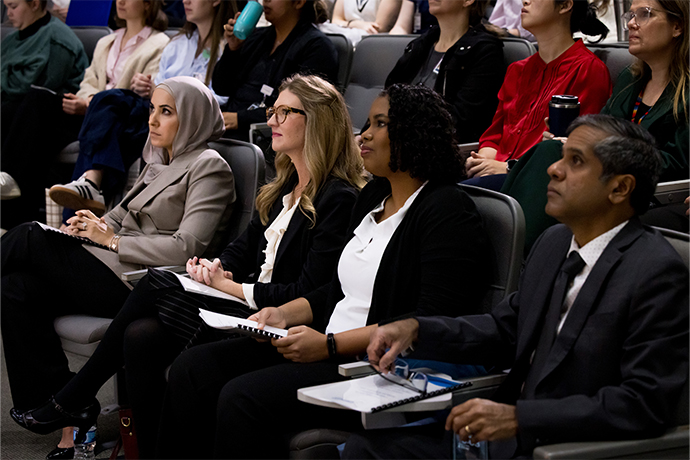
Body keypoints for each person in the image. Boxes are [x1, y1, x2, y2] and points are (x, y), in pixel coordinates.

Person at [7, 74, 365, 459]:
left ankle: (77, 394)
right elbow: (239, 253)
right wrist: (215, 268)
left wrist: (228, 286)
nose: (272, 120)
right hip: (240, 304)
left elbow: (308, 290)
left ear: (316, 121)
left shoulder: (337, 198)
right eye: (272, 111)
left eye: (284, 112)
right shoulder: (281, 188)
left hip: (274, 318)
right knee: (140, 336)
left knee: (142, 276)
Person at [156, 84, 491, 459]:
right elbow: (334, 291)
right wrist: (283, 314)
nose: (364, 134)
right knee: (193, 368)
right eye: (367, 123)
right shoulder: (373, 198)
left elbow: (428, 321)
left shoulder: (447, 210)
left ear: (413, 133)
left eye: (380, 124)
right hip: (326, 341)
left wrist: (328, 345)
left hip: (378, 366)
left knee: (241, 397)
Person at [343, 114, 689, 459]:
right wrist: (418, 329)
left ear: (620, 188)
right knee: (359, 450)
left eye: (576, 161)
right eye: (561, 156)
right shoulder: (554, 243)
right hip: (506, 440)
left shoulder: (656, 273)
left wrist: (521, 418)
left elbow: (642, 403)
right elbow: (505, 328)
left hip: (569, 448)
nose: (553, 170)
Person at [2, 76, 235, 458]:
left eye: (166, 112)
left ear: (191, 117)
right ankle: (56, 399)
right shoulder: (159, 158)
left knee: (28, 235)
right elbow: (117, 215)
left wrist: (110, 239)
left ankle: (68, 402)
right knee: (14, 287)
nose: (153, 121)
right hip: (108, 266)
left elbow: (188, 246)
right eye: (152, 110)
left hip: (141, 284)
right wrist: (88, 226)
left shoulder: (210, 167)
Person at [505, 0, 689, 247]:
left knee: (551, 157)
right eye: (631, 15)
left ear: (677, 26)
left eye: (645, 14)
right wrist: (572, 143)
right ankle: (520, 257)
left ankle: (518, 258)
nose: (632, 23)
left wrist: (598, 153)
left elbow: (676, 163)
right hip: (600, 177)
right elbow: (598, 131)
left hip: (639, 188)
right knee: (551, 149)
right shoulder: (629, 79)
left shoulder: (686, 93)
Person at [48, 0, 240, 221]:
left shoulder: (229, 47)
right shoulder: (178, 43)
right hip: (155, 111)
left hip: (185, 118)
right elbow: (157, 87)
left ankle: (81, 204)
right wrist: (152, 89)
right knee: (109, 109)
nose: (185, 1)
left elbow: (220, 98)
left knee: (112, 105)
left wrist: (160, 93)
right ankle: (89, 193)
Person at [1, 0, 169, 229]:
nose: (120, 1)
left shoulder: (160, 43)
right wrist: (86, 101)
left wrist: (90, 102)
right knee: (36, 100)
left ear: (148, 4)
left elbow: (144, 96)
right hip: (91, 111)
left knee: (107, 100)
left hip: (122, 117)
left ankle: (68, 205)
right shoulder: (106, 41)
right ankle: (9, 183)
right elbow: (88, 82)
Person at [464, 0, 612, 190]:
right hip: (497, 176)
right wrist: (482, 161)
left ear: (566, 5)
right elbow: (494, 135)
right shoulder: (517, 70)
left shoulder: (589, 70)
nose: (525, 1)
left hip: (541, 183)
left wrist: (508, 168)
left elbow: (574, 150)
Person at [0, 0, 88, 204]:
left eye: (13, 7)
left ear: (35, 4)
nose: (8, 13)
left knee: (17, 108)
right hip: (22, 109)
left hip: (59, 115)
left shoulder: (58, 40)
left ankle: (9, 202)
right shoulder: (11, 40)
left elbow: (31, 88)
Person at [213, 0, 338, 140]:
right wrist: (232, 49)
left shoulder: (317, 47)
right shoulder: (256, 37)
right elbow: (221, 88)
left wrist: (240, 119)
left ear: (298, 2)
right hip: (228, 129)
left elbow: (301, 109)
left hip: (267, 137)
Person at [385, 0, 505, 142]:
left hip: (432, 151)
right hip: (394, 141)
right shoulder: (421, 44)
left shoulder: (485, 51)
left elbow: (460, 124)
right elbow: (386, 100)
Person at [319, 0, 402, 45]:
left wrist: (346, 24)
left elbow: (379, 28)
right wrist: (355, 24)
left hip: (370, 43)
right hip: (347, 38)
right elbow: (336, 20)